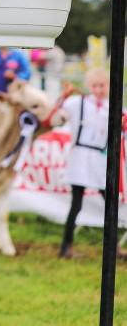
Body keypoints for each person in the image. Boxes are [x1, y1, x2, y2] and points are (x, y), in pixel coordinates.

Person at [57, 69, 114, 259]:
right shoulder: (77, 103)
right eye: (95, 86)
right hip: (80, 158)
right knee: (76, 205)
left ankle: (113, 247)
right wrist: (63, 96)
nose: (98, 90)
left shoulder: (112, 106)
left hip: (101, 159)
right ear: (90, 86)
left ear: (108, 86)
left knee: (110, 204)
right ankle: (66, 247)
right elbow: (57, 113)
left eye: (102, 86)